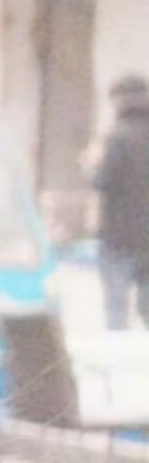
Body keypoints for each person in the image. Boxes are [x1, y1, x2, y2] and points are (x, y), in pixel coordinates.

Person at [93, 71, 149, 329]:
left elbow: (101, 182)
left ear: (120, 100)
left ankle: (119, 349)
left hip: (118, 238)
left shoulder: (118, 137)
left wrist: (91, 165)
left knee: (117, 311)